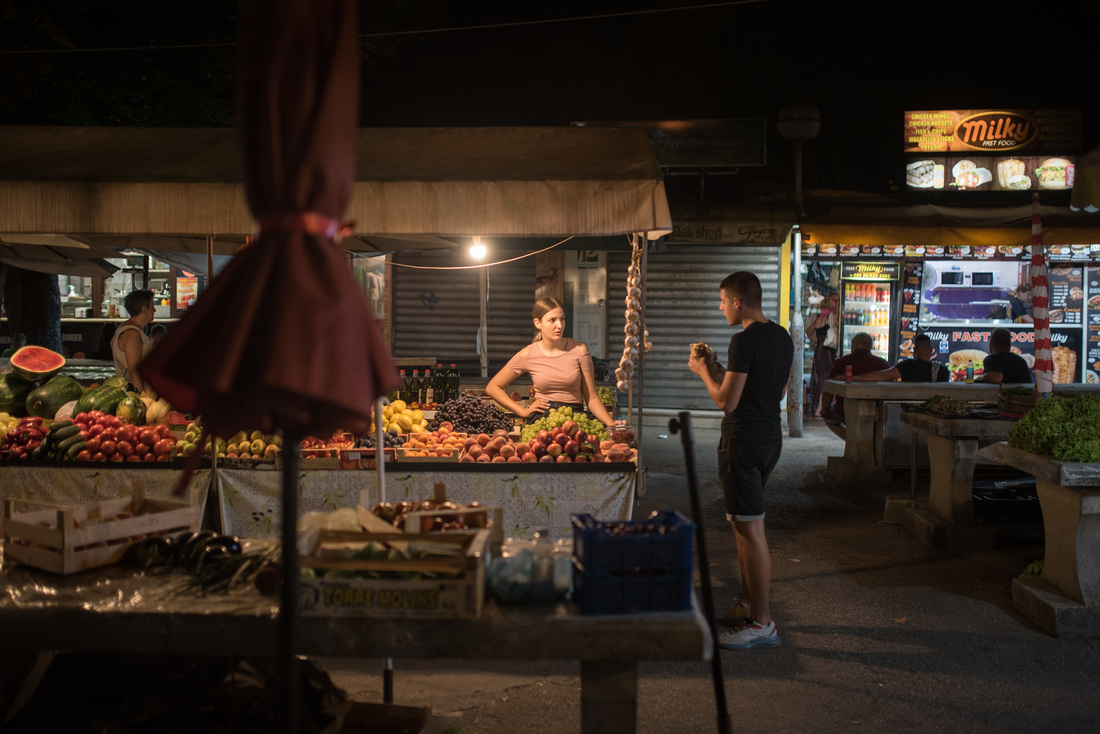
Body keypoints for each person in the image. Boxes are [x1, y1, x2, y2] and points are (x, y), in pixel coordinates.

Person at [688, 272, 793, 651]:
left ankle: (762, 623)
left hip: (743, 442)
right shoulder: (782, 337)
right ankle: (750, 603)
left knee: (752, 531)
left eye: (721, 301)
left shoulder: (742, 340)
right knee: (743, 525)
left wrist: (702, 371)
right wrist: (718, 367)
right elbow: (773, 390)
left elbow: (725, 401)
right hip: (769, 438)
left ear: (737, 302)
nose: (719, 308)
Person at [486, 297, 618, 427]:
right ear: (538, 323)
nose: (559, 325)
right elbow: (492, 387)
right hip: (543, 420)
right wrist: (523, 411)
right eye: (552, 320)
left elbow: (592, 398)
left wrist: (612, 425)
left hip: (574, 418)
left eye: (562, 319)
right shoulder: (528, 354)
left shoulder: (580, 350)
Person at [819, 332, 890, 440]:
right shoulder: (884, 364)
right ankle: (861, 442)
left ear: (855, 344)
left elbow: (828, 387)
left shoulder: (842, 362)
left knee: (828, 415)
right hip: (877, 412)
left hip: (844, 412)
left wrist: (824, 409)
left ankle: (852, 440)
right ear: (870, 346)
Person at [852, 333, 949, 383]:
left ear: (914, 350)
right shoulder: (943, 370)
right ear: (931, 349)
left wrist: (852, 377)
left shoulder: (908, 366)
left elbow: (883, 376)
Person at [110, 289, 156, 392]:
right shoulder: (132, 334)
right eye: (152, 306)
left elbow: (112, 344)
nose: (155, 310)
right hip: (134, 392)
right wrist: (140, 398)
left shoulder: (125, 328)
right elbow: (134, 370)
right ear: (144, 309)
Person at [806, 290, 839, 418]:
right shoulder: (830, 317)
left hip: (818, 352)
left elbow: (808, 332)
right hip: (827, 353)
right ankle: (822, 408)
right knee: (827, 380)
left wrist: (815, 341)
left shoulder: (818, 319)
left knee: (818, 378)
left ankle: (817, 408)